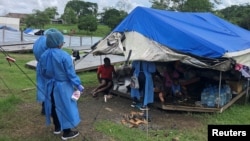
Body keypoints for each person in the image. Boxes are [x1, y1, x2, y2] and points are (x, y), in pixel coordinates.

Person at [39, 30, 84, 140]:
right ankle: (67, 132)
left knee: (53, 105)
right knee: (65, 106)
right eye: (62, 42)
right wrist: (78, 84)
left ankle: (57, 127)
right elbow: (70, 73)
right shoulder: (64, 55)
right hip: (63, 86)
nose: (62, 44)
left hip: (50, 85)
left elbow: (42, 72)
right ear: (58, 42)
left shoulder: (43, 55)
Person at [32, 28, 59, 115]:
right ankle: (49, 109)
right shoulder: (48, 41)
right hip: (49, 66)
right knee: (51, 87)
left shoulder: (37, 41)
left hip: (40, 66)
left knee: (43, 86)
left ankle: (44, 107)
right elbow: (53, 54)